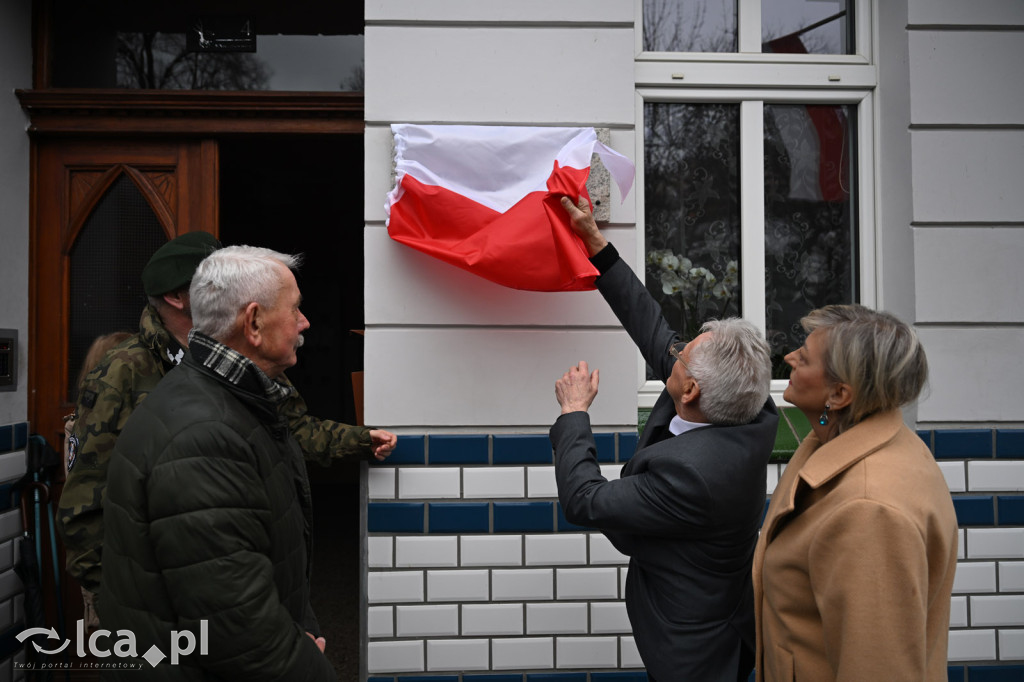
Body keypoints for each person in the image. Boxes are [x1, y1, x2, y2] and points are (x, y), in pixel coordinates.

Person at [58, 232, 396, 625]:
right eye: (211, 277)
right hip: (151, 597)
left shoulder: (249, 363)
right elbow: (84, 500)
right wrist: (119, 598)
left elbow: (295, 429)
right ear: (177, 297)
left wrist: (359, 440)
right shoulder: (127, 369)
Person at [550, 196, 779, 682]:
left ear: (691, 389)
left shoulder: (695, 475)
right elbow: (654, 329)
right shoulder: (746, 404)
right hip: (720, 614)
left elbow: (586, 501)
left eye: (681, 357)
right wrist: (596, 243)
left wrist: (573, 414)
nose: (671, 352)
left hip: (695, 652)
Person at [100, 246, 338, 679]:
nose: (304, 323)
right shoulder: (202, 436)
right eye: (296, 309)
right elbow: (238, 630)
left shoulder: (235, 402)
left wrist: (297, 628)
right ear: (253, 323)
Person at [753, 304, 957, 681]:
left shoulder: (868, 511)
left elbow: (878, 666)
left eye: (806, 357)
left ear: (840, 393)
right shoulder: (840, 440)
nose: (788, 357)